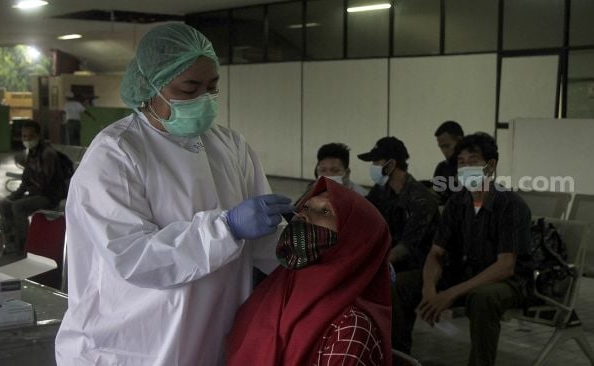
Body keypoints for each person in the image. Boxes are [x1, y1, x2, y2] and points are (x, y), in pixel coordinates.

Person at [54, 23, 293, 366]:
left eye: (212, 87)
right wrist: (225, 228)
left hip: (210, 335)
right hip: (128, 346)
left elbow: (263, 242)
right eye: (189, 88)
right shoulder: (117, 152)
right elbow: (134, 257)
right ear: (151, 86)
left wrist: (324, 260)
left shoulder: (230, 146)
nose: (204, 99)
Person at [391, 133, 532, 366]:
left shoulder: (511, 205)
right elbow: (436, 253)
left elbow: (505, 266)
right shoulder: (458, 203)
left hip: (509, 282)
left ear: (491, 165)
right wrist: (429, 288)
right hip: (465, 272)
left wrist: (450, 293)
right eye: (461, 163)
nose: (466, 168)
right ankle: (399, 356)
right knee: (399, 285)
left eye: (473, 161)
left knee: (482, 297)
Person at [227, 177, 392, 366]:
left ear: (353, 240)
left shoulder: (350, 328)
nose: (303, 215)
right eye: (305, 207)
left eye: (325, 211)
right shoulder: (276, 288)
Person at [359, 137, 439, 273]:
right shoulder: (381, 190)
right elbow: (363, 213)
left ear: (390, 165)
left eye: (376, 162)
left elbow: (406, 247)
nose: (373, 166)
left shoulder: (421, 199)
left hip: (417, 266)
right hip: (387, 257)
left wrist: (372, 266)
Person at [0, 120, 66, 254]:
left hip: (49, 196)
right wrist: (13, 196)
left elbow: (46, 183)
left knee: (18, 206)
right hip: (35, 194)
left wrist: (26, 190)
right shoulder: (32, 153)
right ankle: (11, 242)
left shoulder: (47, 154)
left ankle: (24, 245)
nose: (27, 139)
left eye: (31, 136)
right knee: (4, 204)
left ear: (38, 136)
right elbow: (25, 181)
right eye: (24, 137)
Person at [432, 121, 464, 204]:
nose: (444, 151)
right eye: (441, 147)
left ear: (460, 141)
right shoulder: (441, 168)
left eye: (447, 146)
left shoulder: (474, 167)